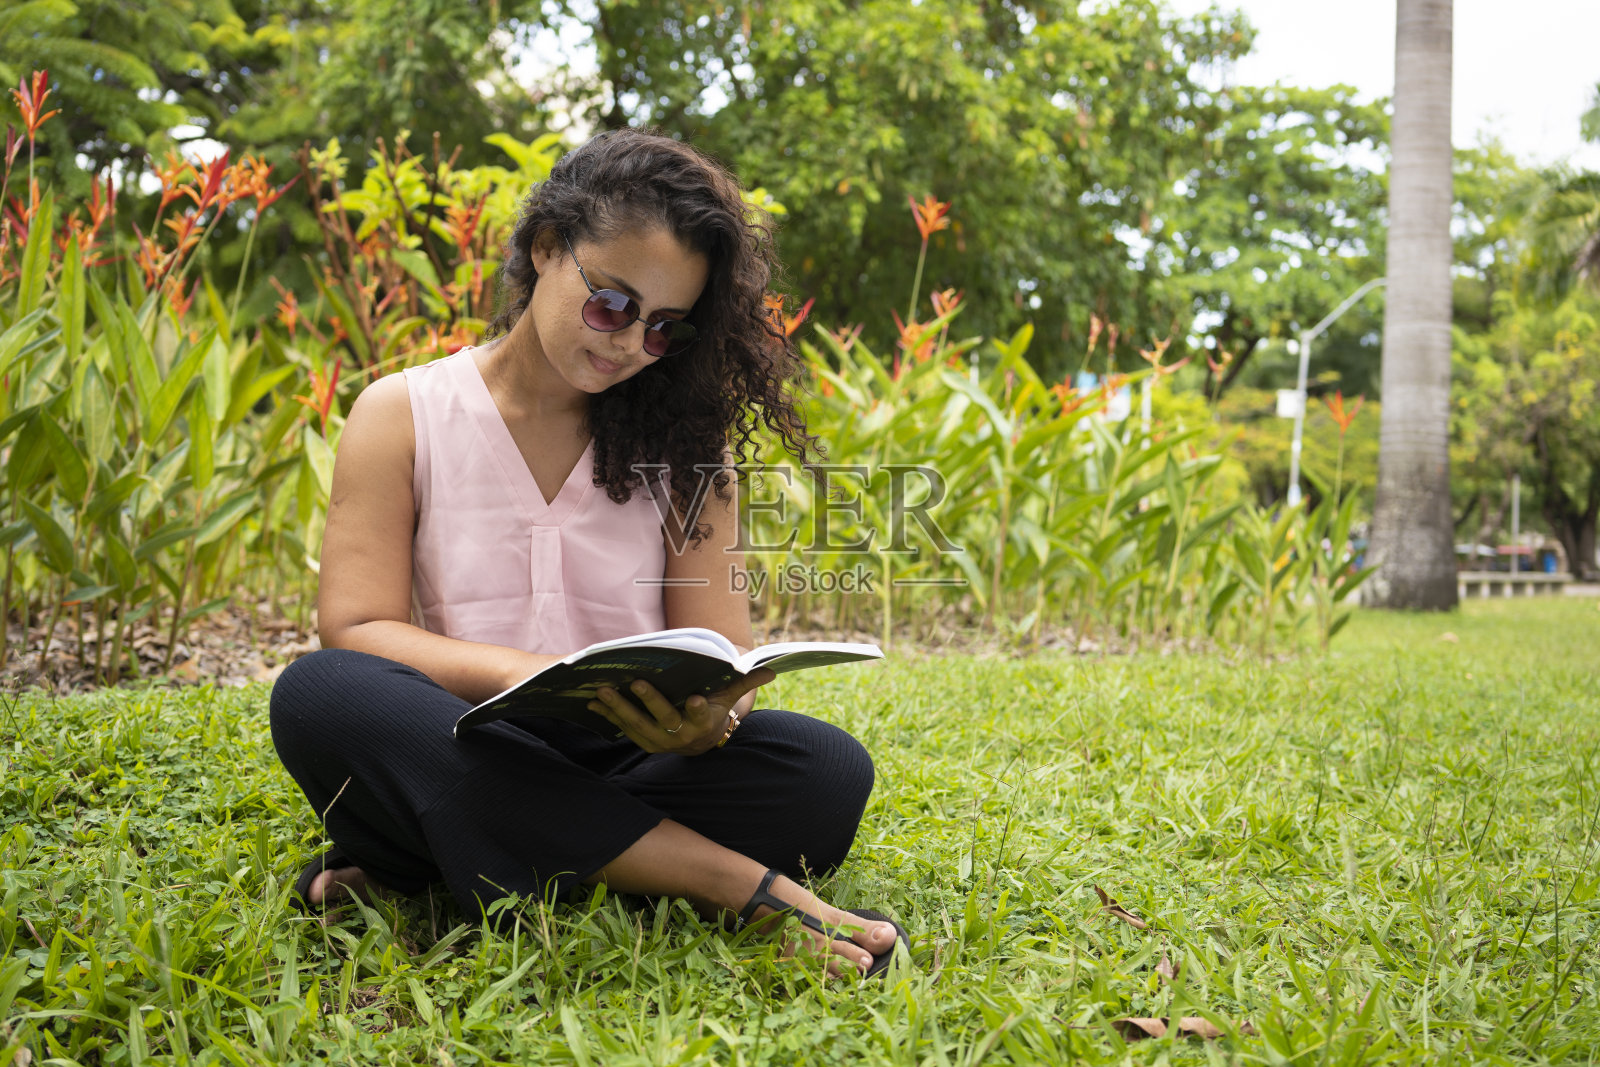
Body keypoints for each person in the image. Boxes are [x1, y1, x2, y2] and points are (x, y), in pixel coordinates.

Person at [269, 128, 908, 978]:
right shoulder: (402, 412)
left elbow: (723, 657)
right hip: (460, 733)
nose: (627, 342)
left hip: (629, 756)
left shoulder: (688, 447)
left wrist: (708, 722)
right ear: (545, 248)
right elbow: (355, 625)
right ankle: (732, 886)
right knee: (321, 694)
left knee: (826, 770)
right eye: (612, 303)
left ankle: (430, 864)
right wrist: (525, 673)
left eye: (665, 330)